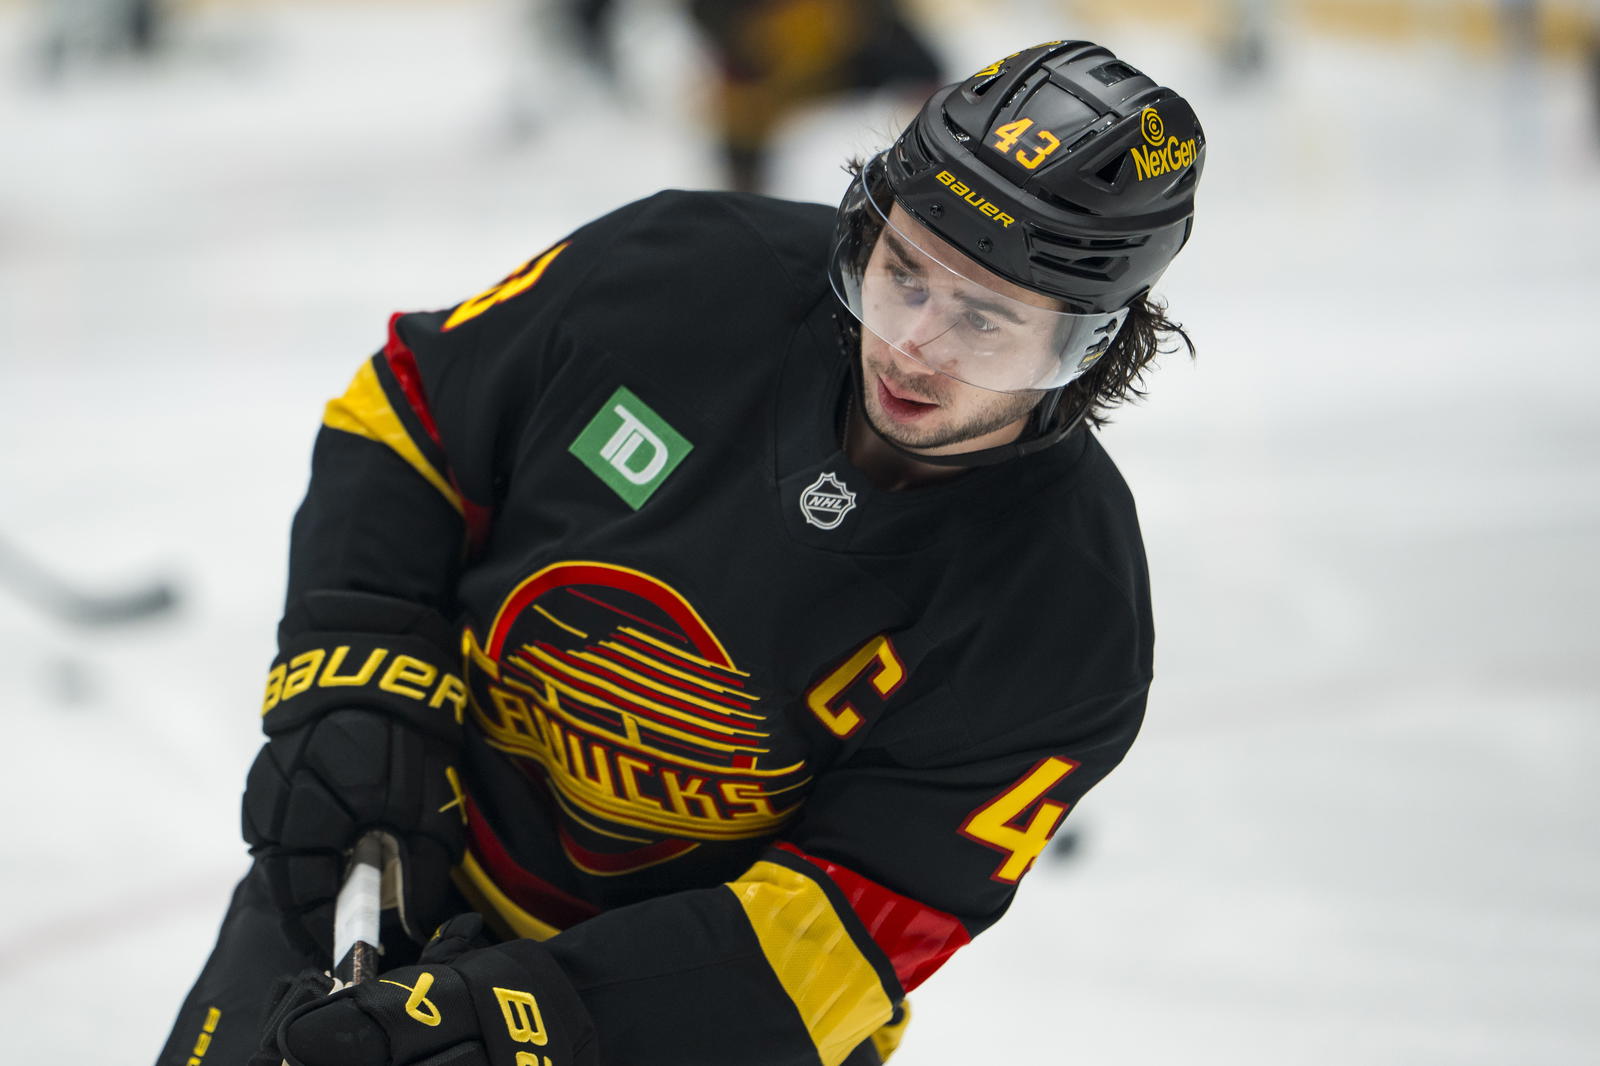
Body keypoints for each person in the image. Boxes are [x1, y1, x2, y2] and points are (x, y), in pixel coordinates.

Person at [154, 39, 1205, 1066]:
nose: (913, 343)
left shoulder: (1067, 614)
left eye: (983, 320)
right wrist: (357, 691)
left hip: (674, 1019)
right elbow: (411, 417)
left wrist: (533, 1016)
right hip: (401, 852)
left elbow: (835, 937)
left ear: (1089, 343)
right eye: (902, 273)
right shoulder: (672, 275)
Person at [559, 0, 944, 191]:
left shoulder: (876, 41)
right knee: (743, 182)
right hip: (756, 73)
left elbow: (919, 64)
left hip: (831, 51)